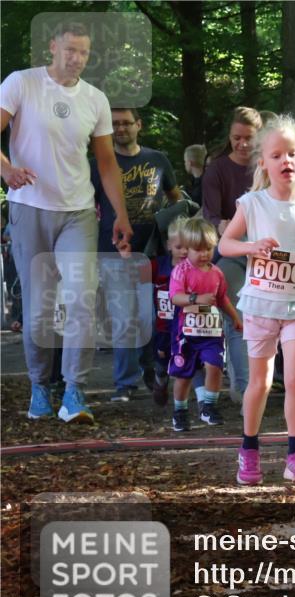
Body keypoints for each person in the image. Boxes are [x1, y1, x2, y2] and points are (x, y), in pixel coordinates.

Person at [1, 21, 133, 424]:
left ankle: (74, 391)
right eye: (71, 50)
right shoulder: (21, 84)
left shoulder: (94, 99)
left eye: (84, 53)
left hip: (78, 212)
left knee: (79, 300)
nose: (77, 59)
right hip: (30, 209)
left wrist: (121, 215)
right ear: (52, 48)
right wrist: (6, 170)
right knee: (40, 310)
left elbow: (107, 162)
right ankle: (42, 387)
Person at [220, 116, 295, 485]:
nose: (286, 160)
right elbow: (224, 244)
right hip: (261, 306)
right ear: (263, 163)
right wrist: (251, 247)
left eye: (292, 153)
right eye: (277, 154)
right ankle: (249, 450)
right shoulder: (252, 204)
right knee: (261, 382)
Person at [92, 107, 182, 403]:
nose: (120, 128)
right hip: (112, 250)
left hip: (153, 250)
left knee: (149, 316)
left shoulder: (157, 159)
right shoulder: (100, 163)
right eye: (114, 124)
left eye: (126, 123)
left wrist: (174, 232)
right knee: (123, 317)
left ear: (138, 125)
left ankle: (149, 371)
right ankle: (125, 383)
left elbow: (175, 198)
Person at [202, 107, 262, 406]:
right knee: (237, 316)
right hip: (232, 249)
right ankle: (243, 388)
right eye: (237, 138)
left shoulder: (267, 165)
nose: (243, 144)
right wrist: (226, 226)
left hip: (266, 251)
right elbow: (212, 216)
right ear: (229, 137)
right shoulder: (216, 169)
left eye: (249, 138)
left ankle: (264, 383)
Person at [168, 217, 241, 431]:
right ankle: (180, 411)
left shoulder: (217, 273)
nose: (204, 254)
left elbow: (223, 298)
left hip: (211, 333)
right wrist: (195, 299)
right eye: (198, 249)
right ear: (187, 249)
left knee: (215, 366)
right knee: (183, 375)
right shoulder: (181, 271)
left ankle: (209, 407)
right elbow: (175, 297)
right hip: (186, 333)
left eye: (208, 249)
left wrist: (235, 318)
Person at [149, 218, 188, 406]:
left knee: (188, 357)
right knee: (162, 359)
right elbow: (136, 277)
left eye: (189, 247)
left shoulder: (195, 268)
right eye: (179, 246)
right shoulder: (158, 265)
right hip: (163, 325)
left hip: (186, 324)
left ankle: (186, 398)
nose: (185, 251)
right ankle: (160, 378)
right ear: (169, 246)